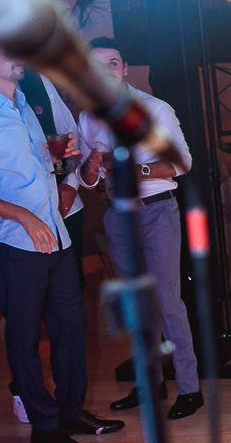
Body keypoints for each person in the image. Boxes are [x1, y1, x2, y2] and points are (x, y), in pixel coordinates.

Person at [0, 27, 121, 443]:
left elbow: (44, 158)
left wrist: (67, 169)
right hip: (11, 241)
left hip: (56, 232)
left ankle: (70, 410)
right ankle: (44, 425)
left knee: (71, 325)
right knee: (24, 334)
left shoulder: (24, 103)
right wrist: (21, 214)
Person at [72, 41, 202, 420]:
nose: (106, 70)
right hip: (118, 216)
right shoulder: (87, 117)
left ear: (125, 68)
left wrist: (136, 169)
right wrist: (91, 169)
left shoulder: (155, 109)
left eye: (113, 63)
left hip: (157, 211)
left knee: (166, 301)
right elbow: (87, 176)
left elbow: (183, 163)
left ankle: (190, 388)